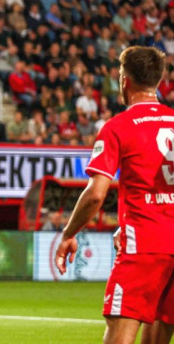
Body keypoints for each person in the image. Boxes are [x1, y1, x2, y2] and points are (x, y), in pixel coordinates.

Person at [56, 46, 174, 344]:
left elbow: (96, 195)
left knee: (120, 331)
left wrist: (69, 233)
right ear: (159, 81)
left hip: (144, 245)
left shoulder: (118, 127)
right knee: (162, 328)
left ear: (124, 81)